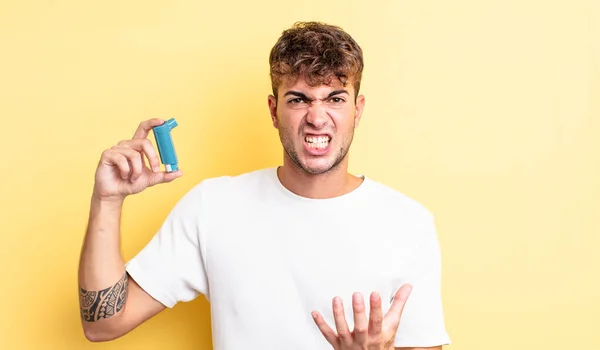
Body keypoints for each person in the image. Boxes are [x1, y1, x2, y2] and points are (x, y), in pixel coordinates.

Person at [78, 21, 451, 350]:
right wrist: (107, 200)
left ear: (358, 109)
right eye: (299, 100)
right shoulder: (213, 207)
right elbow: (103, 324)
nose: (317, 117)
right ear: (274, 111)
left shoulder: (408, 223)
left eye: (335, 99)